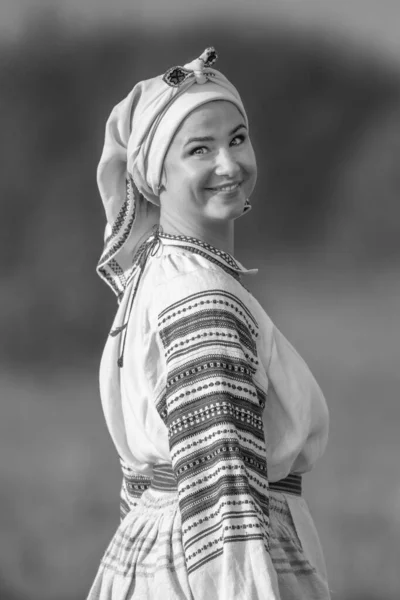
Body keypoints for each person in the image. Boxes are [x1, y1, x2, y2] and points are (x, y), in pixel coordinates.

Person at [87, 48, 331, 600]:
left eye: (237, 138)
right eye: (200, 149)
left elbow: (139, 484)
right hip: (215, 567)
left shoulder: (158, 274)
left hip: (156, 558)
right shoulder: (201, 296)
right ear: (156, 175)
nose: (229, 164)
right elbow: (224, 491)